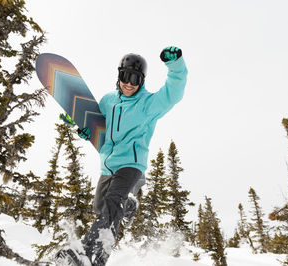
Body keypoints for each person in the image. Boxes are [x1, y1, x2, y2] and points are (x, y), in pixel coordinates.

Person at [55, 46, 188, 266]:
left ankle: (90, 254)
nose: (129, 83)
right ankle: (129, 205)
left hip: (131, 164)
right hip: (108, 165)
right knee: (101, 207)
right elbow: (98, 126)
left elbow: (173, 94)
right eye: (125, 76)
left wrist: (175, 66)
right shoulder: (108, 101)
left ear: (141, 81)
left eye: (135, 79)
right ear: (118, 76)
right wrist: (82, 126)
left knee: (111, 204)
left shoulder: (148, 104)